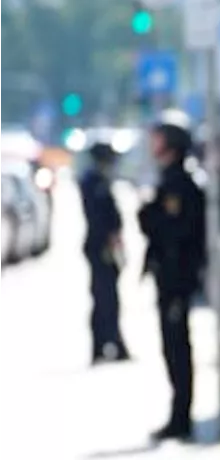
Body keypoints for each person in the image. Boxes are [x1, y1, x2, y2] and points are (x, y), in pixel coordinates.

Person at [139, 115, 206, 441]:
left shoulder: (179, 184)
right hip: (170, 276)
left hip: (177, 278)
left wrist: (148, 214)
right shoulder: (169, 180)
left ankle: (182, 418)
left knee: (177, 347)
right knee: (171, 346)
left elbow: (171, 230)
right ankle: (178, 415)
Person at [79, 142, 130, 364]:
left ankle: (111, 343)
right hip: (101, 247)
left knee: (108, 297)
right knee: (104, 297)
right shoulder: (94, 182)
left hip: (104, 246)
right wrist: (112, 241)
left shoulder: (98, 180)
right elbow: (102, 219)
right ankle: (104, 345)